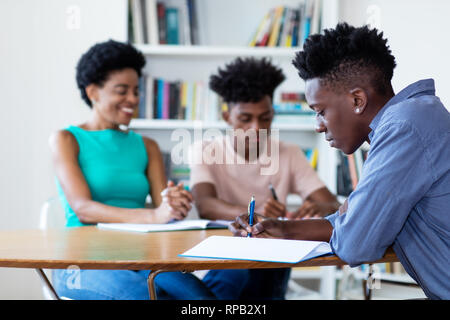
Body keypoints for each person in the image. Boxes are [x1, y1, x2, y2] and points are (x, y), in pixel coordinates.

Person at [229, 23, 450, 300]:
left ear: (357, 99)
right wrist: (283, 227)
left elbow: (355, 244)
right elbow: (352, 221)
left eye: (320, 111)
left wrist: (351, 218)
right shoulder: (413, 118)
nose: (318, 126)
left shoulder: (404, 128)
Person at [49, 39, 215, 300]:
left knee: (200, 298)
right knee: (143, 295)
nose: (133, 99)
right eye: (122, 90)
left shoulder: (146, 146)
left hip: (139, 255)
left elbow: (165, 209)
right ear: (93, 92)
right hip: (81, 261)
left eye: (136, 91)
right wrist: (154, 216)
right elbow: (83, 208)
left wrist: (175, 204)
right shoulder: (66, 139)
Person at [189, 57, 340, 299]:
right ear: (227, 116)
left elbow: (331, 204)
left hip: (271, 259)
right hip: (225, 257)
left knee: (270, 267)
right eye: (245, 119)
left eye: (266, 118)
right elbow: (205, 204)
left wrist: (315, 208)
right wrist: (261, 217)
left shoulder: (289, 153)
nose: (257, 127)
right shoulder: (206, 149)